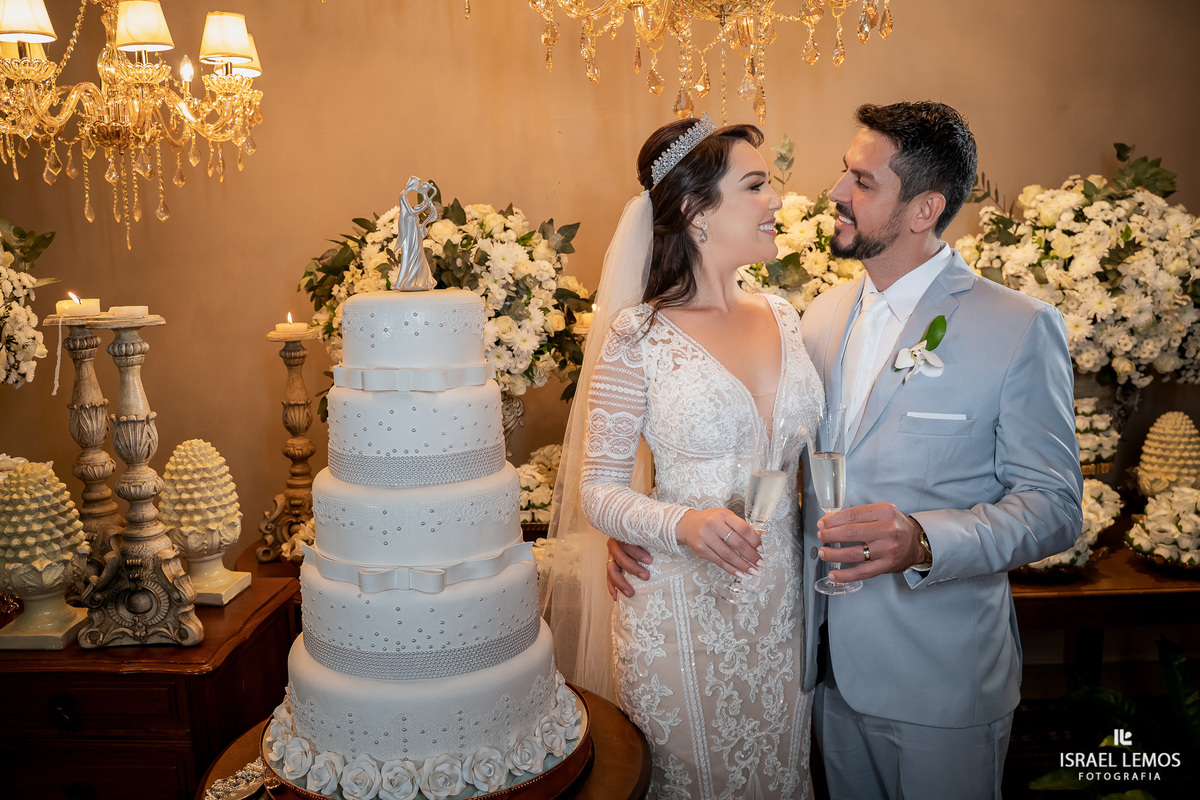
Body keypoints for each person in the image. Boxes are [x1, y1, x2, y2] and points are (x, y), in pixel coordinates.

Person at [609, 101, 1084, 799]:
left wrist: (924, 540)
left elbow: (1055, 508)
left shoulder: (1018, 327)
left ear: (923, 210)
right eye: (844, 173)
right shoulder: (817, 316)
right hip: (812, 669)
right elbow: (762, 453)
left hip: (939, 681)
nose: (833, 193)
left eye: (862, 182)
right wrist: (651, 519)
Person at [542, 115, 824, 800]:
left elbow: (807, 460)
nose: (776, 201)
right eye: (755, 186)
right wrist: (684, 525)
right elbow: (599, 492)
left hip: (779, 600)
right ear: (697, 211)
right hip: (676, 608)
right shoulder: (636, 335)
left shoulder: (785, 315)